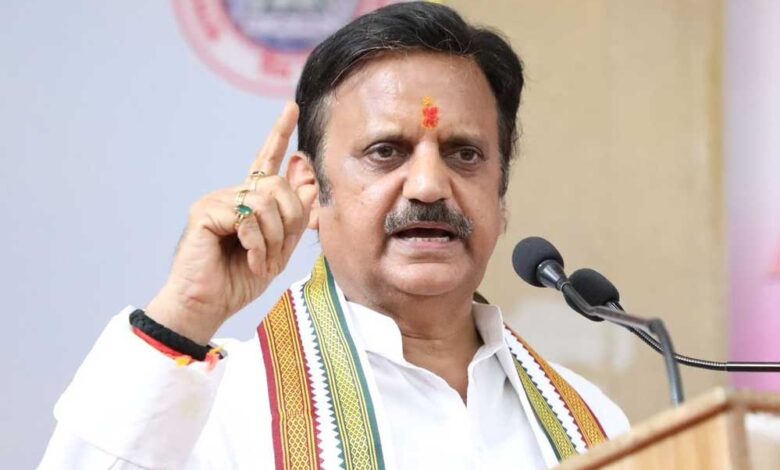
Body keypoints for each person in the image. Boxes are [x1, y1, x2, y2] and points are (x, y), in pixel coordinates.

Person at [39, 2, 628, 469]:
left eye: (464, 154)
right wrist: (184, 314)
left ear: (501, 196)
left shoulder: (594, 425)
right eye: (385, 151)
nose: (429, 185)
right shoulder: (219, 406)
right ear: (310, 188)